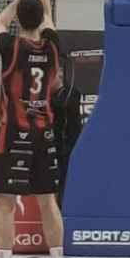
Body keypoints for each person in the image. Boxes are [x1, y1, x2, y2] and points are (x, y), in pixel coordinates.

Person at [0, 0, 67, 258]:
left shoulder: (11, 47)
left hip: (14, 132)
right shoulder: (51, 47)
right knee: (48, 202)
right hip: (44, 132)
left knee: (6, 203)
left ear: (19, 19)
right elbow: (47, 17)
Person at [50, 65, 82, 198]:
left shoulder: (71, 92)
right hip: (53, 144)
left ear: (60, 74)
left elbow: (63, 104)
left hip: (69, 143)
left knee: (67, 177)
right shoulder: (47, 97)